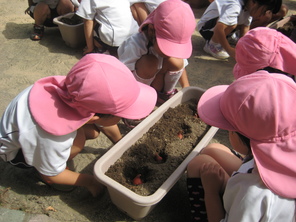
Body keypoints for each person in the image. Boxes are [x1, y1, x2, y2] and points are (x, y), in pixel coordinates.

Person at [0, 54, 157, 196]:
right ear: (93, 117)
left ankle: (55, 159)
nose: (124, 117)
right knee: (76, 145)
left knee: (92, 133)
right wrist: (91, 182)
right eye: (122, 114)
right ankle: (42, 168)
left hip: (35, 129)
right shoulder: (53, 137)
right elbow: (52, 174)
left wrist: (121, 144)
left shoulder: (78, 87)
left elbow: (104, 118)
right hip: (18, 151)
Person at [187, 73, 296, 221]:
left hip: (248, 205)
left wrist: (210, 191)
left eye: (230, 129)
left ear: (247, 139)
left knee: (197, 165)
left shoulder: (250, 196)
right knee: (211, 150)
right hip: (264, 179)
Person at [118, 0, 196, 109]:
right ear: (151, 30)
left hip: (156, 81)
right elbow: (124, 77)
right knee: (149, 62)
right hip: (138, 85)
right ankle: (139, 100)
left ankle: (164, 94)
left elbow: (181, 66)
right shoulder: (135, 44)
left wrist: (186, 87)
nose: (171, 52)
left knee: (177, 61)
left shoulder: (164, 40)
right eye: (168, 47)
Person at [197, 0, 282, 59]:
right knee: (231, 24)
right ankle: (212, 45)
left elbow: (245, 26)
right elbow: (219, 28)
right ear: (254, 2)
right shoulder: (234, 5)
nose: (263, 15)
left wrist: (243, 46)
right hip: (206, 28)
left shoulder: (248, 6)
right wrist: (229, 50)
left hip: (218, 27)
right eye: (263, 11)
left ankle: (227, 37)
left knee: (233, 23)